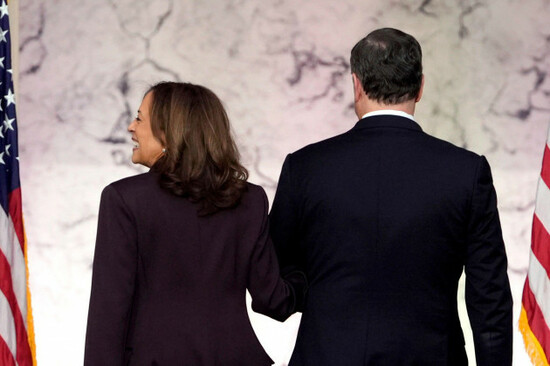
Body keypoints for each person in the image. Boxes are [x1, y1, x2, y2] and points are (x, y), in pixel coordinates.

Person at [269, 28, 513, 366]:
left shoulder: (305, 168)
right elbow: (490, 298)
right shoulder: (466, 172)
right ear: (421, 87)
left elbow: (277, 270)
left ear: (356, 84)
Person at [84, 82, 305, 365]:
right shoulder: (250, 200)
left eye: (140, 118)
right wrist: (314, 276)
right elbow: (274, 300)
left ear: (168, 131)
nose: (130, 127)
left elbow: (109, 312)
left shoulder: (124, 199)